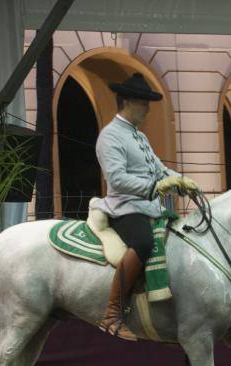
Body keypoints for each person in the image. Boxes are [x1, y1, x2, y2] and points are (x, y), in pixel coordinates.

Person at [90, 73, 199, 340]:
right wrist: (154, 188)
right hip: (124, 207)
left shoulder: (139, 137)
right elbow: (116, 179)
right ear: (126, 101)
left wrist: (179, 180)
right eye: (143, 102)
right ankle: (112, 313)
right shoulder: (110, 136)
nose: (147, 108)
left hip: (150, 208)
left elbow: (158, 168)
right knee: (143, 242)